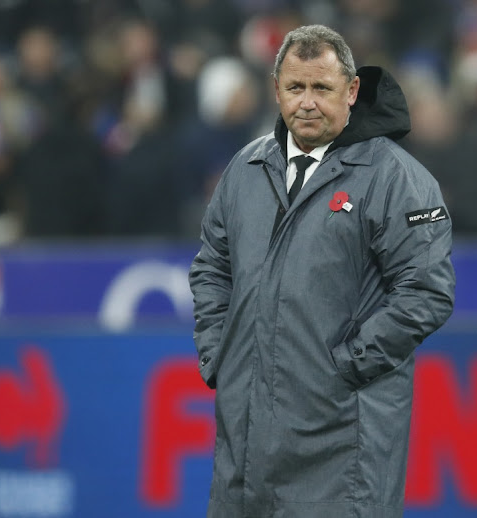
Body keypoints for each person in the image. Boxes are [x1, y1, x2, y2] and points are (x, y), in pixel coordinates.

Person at [189, 24, 455, 518]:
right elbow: (211, 267)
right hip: (244, 452)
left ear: (351, 91)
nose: (307, 102)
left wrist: (343, 368)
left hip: (342, 449)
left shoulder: (396, 178)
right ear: (276, 91)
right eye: (295, 88)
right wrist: (219, 354)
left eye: (322, 88)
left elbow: (427, 291)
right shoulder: (246, 169)